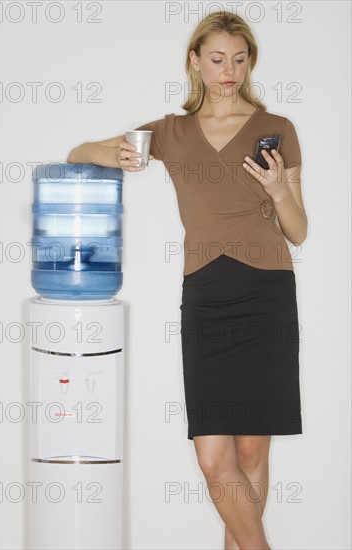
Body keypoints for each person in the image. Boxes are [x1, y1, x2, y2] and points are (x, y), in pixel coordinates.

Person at [67, 11, 307, 550]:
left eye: (240, 59)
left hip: (267, 290)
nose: (229, 71)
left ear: (251, 63)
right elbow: (79, 153)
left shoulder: (279, 131)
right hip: (205, 295)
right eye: (217, 59)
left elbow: (299, 231)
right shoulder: (171, 132)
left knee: (251, 453)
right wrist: (119, 154)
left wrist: (278, 190)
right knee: (211, 454)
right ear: (195, 61)